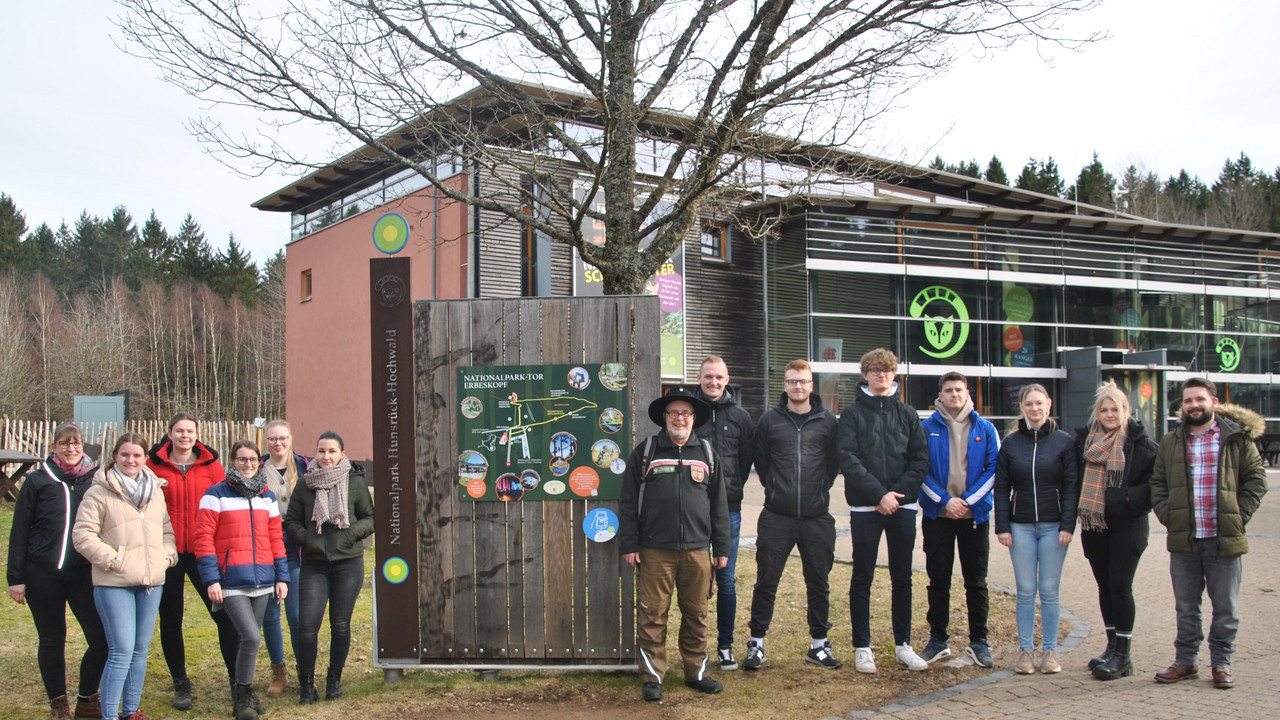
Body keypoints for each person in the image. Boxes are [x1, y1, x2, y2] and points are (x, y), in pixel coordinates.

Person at [1150, 377, 1267, 690]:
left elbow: (1257, 479)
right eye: (1188, 401)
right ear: (1183, 406)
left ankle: (1221, 664)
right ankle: (1186, 662)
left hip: (1223, 539)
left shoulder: (1236, 439)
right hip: (1185, 539)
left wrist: (1238, 517)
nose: (1193, 405)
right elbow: (1157, 484)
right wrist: (1169, 517)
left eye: (1199, 399)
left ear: (1214, 402)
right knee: (1186, 607)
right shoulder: (1172, 441)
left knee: (1225, 607)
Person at [619, 387, 730, 702]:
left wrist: (722, 550)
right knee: (653, 615)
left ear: (694, 418)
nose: (680, 418)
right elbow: (627, 504)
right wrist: (630, 545)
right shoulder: (646, 451)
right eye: (674, 413)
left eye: (686, 413)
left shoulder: (708, 454)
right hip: (655, 551)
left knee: (696, 614)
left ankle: (696, 672)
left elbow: (719, 506)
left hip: (697, 552)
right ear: (664, 417)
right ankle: (653, 676)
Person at [743, 359, 840, 671]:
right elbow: (762, 460)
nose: (798, 386)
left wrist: (817, 488)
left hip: (816, 517)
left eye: (803, 381)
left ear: (812, 385)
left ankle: (819, 645)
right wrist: (775, 487)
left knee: (819, 583)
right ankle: (756, 644)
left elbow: (833, 463)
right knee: (766, 582)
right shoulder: (771, 420)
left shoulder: (828, 421)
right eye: (792, 381)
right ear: (784, 385)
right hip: (777, 516)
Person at [7, 423, 108, 720]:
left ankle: (87, 700)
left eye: (76, 442)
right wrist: (17, 578)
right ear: (54, 447)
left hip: (84, 573)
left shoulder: (97, 481)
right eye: (64, 443)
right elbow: (19, 530)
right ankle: (58, 703)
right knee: (52, 639)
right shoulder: (38, 481)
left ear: (83, 446)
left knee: (100, 639)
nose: (71, 448)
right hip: (43, 573)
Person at [73, 433, 178, 720]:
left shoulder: (155, 490)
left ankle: (130, 711)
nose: (131, 460)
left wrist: (166, 557)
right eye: (125, 455)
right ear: (115, 457)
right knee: (120, 651)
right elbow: (82, 535)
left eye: (136, 455)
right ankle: (108, 714)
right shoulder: (99, 492)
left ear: (145, 457)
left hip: (151, 583)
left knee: (140, 652)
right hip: (114, 582)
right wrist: (113, 559)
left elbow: (166, 531)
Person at [838, 348, 928, 674]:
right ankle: (863, 647)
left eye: (887, 370)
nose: (881, 375)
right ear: (865, 374)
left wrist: (895, 496)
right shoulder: (850, 416)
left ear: (894, 374)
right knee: (862, 576)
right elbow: (847, 459)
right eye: (875, 370)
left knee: (902, 577)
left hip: (902, 507)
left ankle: (903, 644)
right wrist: (879, 494)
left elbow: (920, 460)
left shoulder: (908, 414)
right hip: (865, 507)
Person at [146, 413, 238, 710]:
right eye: (179, 430)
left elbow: (225, 506)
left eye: (190, 431)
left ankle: (237, 681)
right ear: (169, 433)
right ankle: (181, 682)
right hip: (168, 552)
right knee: (171, 618)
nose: (184, 435)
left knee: (224, 616)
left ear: (197, 434)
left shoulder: (212, 466)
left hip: (204, 551)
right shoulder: (153, 466)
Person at [194, 442, 289, 720]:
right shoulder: (215, 495)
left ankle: (242, 694)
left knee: (248, 640)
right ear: (232, 461)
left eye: (252, 459)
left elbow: (276, 540)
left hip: (263, 581)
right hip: (231, 581)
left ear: (259, 463)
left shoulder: (267, 497)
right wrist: (212, 579)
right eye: (241, 459)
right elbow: (203, 540)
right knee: (250, 636)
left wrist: (281, 576)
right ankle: (242, 699)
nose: (248, 464)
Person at [1074, 381, 1158, 681]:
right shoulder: (1085, 442)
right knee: (1104, 586)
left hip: (1128, 525)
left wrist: (1123, 500)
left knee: (1120, 586)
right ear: (1097, 413)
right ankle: (1112, 647)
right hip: (1095, 525)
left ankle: (1124, 656)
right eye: (1104, 409)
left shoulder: (1140, 443)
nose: (1109, 414)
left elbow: (1154, 485)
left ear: (1126, 411)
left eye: (1115, 409)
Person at [994, 383, 1078, 675]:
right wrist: (1002, 526)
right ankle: (1026, 652)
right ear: (1022, 407)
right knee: (1026, 591)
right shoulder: (1011, 443)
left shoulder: (1064, 442)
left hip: (1055, 527)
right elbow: (1002, 487)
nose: (1034, 408)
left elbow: (1071, 487)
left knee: (1050, 590)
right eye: (1029, 404)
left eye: (1039, 403)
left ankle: (1050, 652)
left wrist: (1068, 524)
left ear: (1049, 405)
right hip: (1021, 527)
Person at [284, 431, 375, 704]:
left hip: (348, 564)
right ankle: (306, 685)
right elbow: (291, 522)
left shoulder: (355, 482)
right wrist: (309, 539)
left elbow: (370, 519)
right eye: (321, 451)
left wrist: (347, 536)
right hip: (314, 564)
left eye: (332, 451)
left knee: (340, 624)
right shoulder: (304, 483)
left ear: (342, 455)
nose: (326, 456)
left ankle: (334, 680)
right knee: (307, 625)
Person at [919, 372, 999, 669]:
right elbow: (920, 470)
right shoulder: (926, 429)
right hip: (937, 516)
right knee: (938, 580)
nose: (954, 394)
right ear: (940, 395)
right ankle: (938, 639)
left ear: (968, 394)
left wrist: (967, 501)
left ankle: (979, 641)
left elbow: (993, 470)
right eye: (948, 390)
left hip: (974, 517)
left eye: (959, 389)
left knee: (976, 581)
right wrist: (945, 501)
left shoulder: (986, 429)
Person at [692, 355, 754, 671]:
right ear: (699, 378)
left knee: (726, 579)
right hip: (694, 510)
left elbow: (745, 462)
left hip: (729, 510)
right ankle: (697, 647)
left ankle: (726, 646)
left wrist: (729, 490)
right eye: (708, 377)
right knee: (697, 580)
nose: (713, 382)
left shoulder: (741, 417)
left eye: (719, 377)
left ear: (727, 379)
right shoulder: (689, 413)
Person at [259, 420, 307, 697]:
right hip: (265, 549)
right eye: (272, 439)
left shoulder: (304, 467)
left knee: (297, 615)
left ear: (291, 439)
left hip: (295, 550)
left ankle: (304, 669)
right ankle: (279, 671)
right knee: (269, 614)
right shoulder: (256, 469)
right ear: (266, 442)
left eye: (283, 438)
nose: (278, 443)